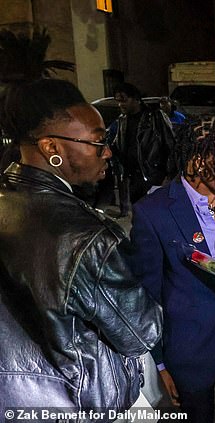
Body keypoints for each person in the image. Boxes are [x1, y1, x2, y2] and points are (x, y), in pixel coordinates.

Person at [0, 78, 162, 411]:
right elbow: (142, 332)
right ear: (51, 148)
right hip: (80, 402)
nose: (108, 151)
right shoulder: (83, 238)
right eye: (97, 141)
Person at [128, 115, 215, 422]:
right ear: (199, 162)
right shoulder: (153, 213)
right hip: (188, 351)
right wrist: (158, 364)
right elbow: (146, 295)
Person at [112, 83, 175, 217]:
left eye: (123, 100)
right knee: (139, 215)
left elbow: (171, 145)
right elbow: (118, 146)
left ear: (136, 99)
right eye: (118, 101)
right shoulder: (122, 121)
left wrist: (168, 175)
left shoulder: (155, 117)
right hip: (133, 177)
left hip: (154, 174)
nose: (120, 105)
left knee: (156, 214)